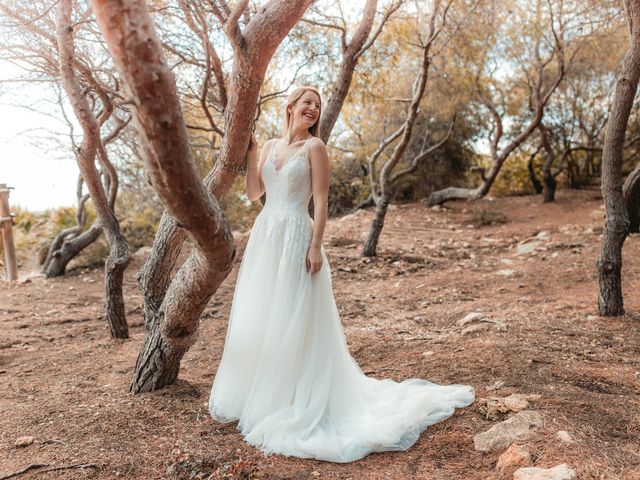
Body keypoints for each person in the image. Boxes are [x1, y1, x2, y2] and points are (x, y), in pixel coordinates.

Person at [208, 85, 475, 463]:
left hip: (297, 236)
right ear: (290, 107)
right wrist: (252, 155)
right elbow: (254, 194)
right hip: (267, 237)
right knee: (264, 312)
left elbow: (320, 201)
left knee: (293, 316)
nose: (313, 109)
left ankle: (292, 396)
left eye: (317, 106)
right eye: (307, 103)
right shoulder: (268, 145)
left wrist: (316, 245)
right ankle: (259, 391)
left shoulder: (315, 148)